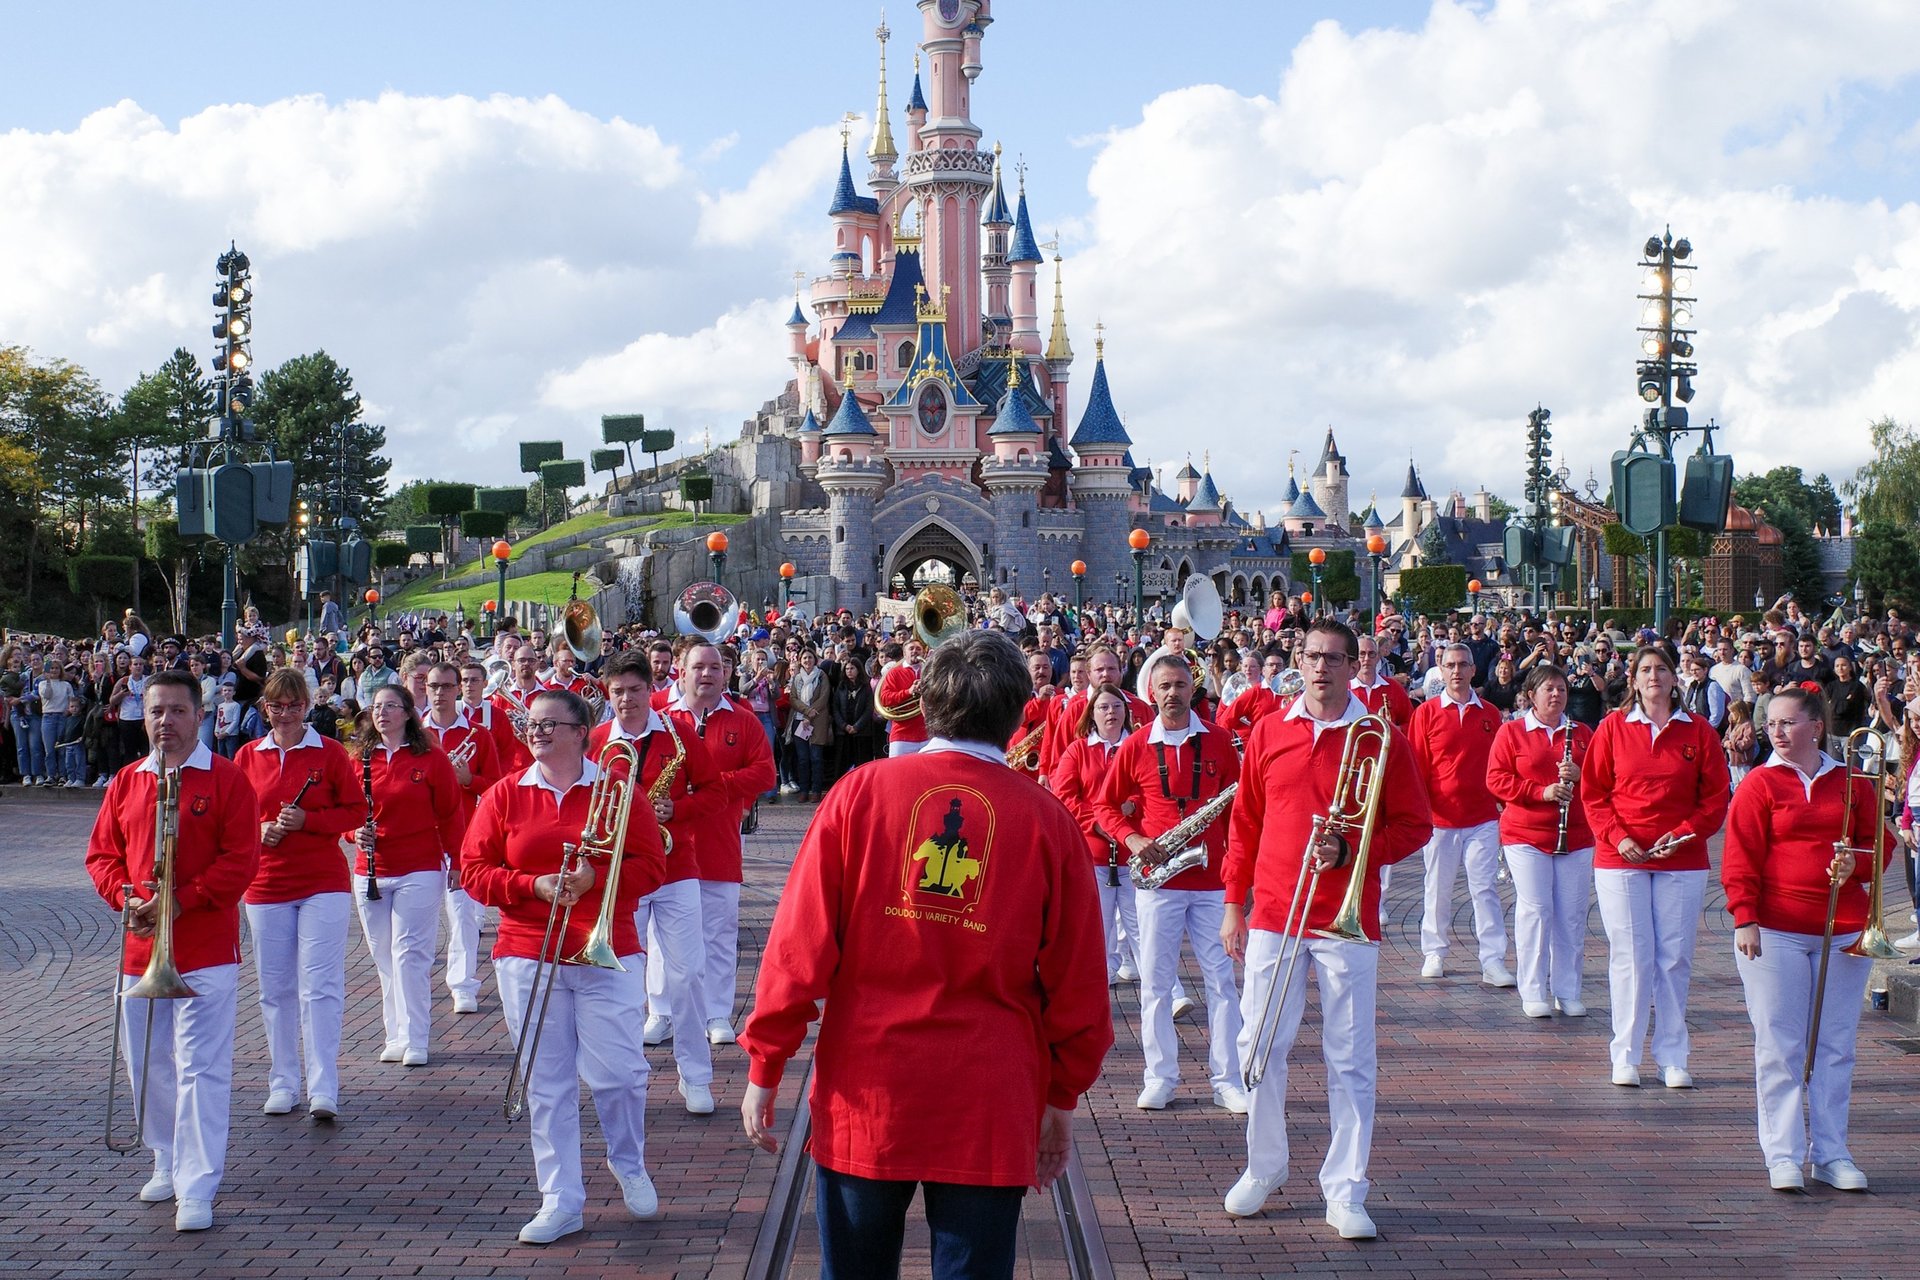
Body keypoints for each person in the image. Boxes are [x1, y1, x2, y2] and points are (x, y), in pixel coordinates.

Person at [739, 630, 1111, 1280]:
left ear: (925, 705)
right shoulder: (1047, 820)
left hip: (868, 1090)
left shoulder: (858, 794)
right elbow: (1079, 981)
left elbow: (799, 944)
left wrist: (766, 1062)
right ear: (1018, 714)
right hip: (987, 1095)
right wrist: (1062, 1094)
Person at [1219, 619, 1432, 1237]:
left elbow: (1415, 825)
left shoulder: (1381, 736)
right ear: (1300, 660)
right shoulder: (1269, 730)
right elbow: (1245, 822)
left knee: (1351, 1056)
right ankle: (1265, 1166)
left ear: (1350, 665)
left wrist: (1355, 848)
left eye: (1333, 658)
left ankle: (1346, 1189)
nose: (1319, 668)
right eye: (1311, 656)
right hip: (1275, 912)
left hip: (1346, 918)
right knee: (1259, 1046)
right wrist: (1233, 902)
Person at [463, 688, 668, 1244]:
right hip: (528, 951)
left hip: (607, 949)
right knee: (547, 1084)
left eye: (550, 724)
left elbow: (652, 867)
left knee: (620, 1073)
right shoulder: (505, 794)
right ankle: (560, 1199)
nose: (537, 732)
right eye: (532, 724)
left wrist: (595, 879)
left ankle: (628, 1162)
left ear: (581, 733)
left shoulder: (618, 789)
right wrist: (532, 885)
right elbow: (473, 871)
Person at [85, 670, 260, 1232]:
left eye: (178, 711)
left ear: (199, 715)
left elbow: (242, 858)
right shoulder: (127, 780)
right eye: (156, 711)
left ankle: (197, 1184)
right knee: (146, 1064)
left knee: (201, 1069)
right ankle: (165, 1154)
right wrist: (126, 896)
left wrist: (184, 900)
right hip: (141, 948)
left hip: (206, 948)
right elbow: (102, 855)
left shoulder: (227, 779)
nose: (166, 722)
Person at [1721, 687, 1888, 1193]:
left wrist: (1855, 866)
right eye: (1771, 723)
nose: (1775, 731)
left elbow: (1877, 848)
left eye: (1787, 722)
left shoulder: (1851, 781)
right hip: (1776, 929)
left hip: (1844, 928)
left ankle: (1832, 1153)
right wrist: (1744, 917)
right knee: (1781, 1044)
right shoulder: (1759, 783)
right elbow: (1739, 855)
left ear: (1816, 727)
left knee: (1836, 1046)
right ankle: (1783, 1153)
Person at [1094, 652, 1247, 1114]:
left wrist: (1239, 878)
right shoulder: (1136, 744)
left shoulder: (1218, 740)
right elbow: (1104, 806)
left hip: (1211, 881)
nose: (1173, 693)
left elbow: (1240, 810)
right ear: (1152, 692)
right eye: (1165, 686)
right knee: (1156, 983)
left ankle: (1228, 1080)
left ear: (1191, 688)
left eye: (1180, 685)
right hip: (1158, 881)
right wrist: (1133, 838)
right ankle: (1160, 1077)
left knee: (1222, 982)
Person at [1581, 644, 1732, 1087]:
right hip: (1620, 857)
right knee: (1632, 957)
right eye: (1645, 669)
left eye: (1661, 669)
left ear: (1674, 677)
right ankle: (1625, 1055)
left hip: (1681, 858)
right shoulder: (1612, 728)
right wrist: (1619, 837)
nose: (1654, 676)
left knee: (1674, 958)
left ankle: (1672, 1056)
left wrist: (1684, 833)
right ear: (1633, 679)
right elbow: (1594, 794)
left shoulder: (1698, 731)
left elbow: (1715, 798)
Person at [589, 651, 723, 1112]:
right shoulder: (596, 741)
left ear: (652, 689)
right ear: (608, 693)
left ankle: (696, 1076)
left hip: (676, 868)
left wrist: (677, 809)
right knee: (621, 977)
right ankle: (626, 1075)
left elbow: (715, 791)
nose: (627, 699)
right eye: (618, 692)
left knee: (688, 974)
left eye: (635, 690)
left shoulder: (678, 734)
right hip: (623, 873)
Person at [236, 669, 363, 1122]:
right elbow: (232, 821)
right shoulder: (247, 755)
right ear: (265, 708)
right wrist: (260, 829)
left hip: (322, 882)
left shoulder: (329, 752)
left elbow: (356, 810)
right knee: (275, 988)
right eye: (277, 706)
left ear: (307, 706)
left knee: (320, 985)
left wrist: (309, 821)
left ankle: (324, 1085)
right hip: (266, 883)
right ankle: (283, 1081)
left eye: (294, 705)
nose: (285, 714)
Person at [659, 641, 776, 1046]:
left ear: (725, 673)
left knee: (719, 933)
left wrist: (713, 786)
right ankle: (661, 1011)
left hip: (719, 841)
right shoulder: (659, 715)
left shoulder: (744, 720)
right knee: (662, 936)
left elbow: (765, 774)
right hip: (669, 844)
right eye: (698, 667)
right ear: (681, 671)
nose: (706, 674)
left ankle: (716, 1013)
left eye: (714, 667)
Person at [352, 685, 467, 1067]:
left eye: (390, 706)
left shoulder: (430, 758)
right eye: (376, 707)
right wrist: (353, 833)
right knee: (383, 956)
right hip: (370, 869)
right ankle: (395, 1034)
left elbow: (450, 812)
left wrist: (458, 861)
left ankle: (417, 1037)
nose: (381, 713)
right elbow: (343, 810)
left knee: (409, 955)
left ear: (407, 713)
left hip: (418, 867)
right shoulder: (358, 759)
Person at [1485, 665, 1595, 1018]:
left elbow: (1604, 780)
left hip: (1575, 834)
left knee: (1571, 915)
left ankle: (1567, 990)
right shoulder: (1512, 732)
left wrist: (1582, 775)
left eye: (1561, 688)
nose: (1557, 694)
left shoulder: (1582, 733)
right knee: (1536, 910)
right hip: (1525, 832)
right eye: (1549, 688)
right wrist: (1541, 792)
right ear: (1531, 695)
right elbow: (1496, 780)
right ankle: (1532, 990)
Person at [1406, 643, 1512, 985]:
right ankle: (1434, 951)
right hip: (1440, 819)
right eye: (1450, 665)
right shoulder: (1426, 713)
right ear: (1441, 669)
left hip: (1482, 817)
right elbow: (1417, 767)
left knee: (1485, 889)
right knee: (1438, 887)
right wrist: (1421, 813)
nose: (1456, 671)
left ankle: (1492, 959)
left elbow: (1500, 764)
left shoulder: (1490, 714)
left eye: (1463, 665)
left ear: (1473, 670)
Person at [421, 661, 502, 1015]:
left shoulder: (479, 735)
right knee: (420, 920)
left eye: (446, 686)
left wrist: (469, 780)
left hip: (464, 836)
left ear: (458, 689)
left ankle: (463, 984)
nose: (440, 693)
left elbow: (495, 787)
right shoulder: (414, 734)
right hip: (422, 838)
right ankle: (416, 982)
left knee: (464, 915)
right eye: (433, 686)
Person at [1052, 683, 1141, 985]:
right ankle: (1099, 986)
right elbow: (1065, 796)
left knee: (1141, 927)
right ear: (1092, 714)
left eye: (1116, 706)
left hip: (1134, 851)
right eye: (1103, 707)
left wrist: (1133, 805)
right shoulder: (1077, 750)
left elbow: (1151, 788)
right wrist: (1099, 822)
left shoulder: (1138, 746)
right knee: (1098, 928)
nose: (1111, 712)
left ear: (1125, 711)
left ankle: (1171, 993)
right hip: (1093, 853)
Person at [785, 646, 832, 802]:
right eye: (804, 658)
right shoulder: (797, 678)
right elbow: (793, 699)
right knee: (803, 758)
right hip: (799, 720)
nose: (807, 660)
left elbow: (824, 697)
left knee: (816, 758)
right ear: (800, 660)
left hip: (817, 720)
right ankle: (804, 790)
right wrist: (806, 712)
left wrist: (810, 715)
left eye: (810, 657)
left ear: (815, 659)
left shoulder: (821, 676)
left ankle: (816, 790)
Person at [875, 638, 929, 756]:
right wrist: (908, 692)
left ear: (924, 653)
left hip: (927, 734)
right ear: (904, 653)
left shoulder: (930, 672)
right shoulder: (894, 672)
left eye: (918, 649)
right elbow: (885, 699)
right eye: (911, 649)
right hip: (902, 735)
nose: (915, 651)